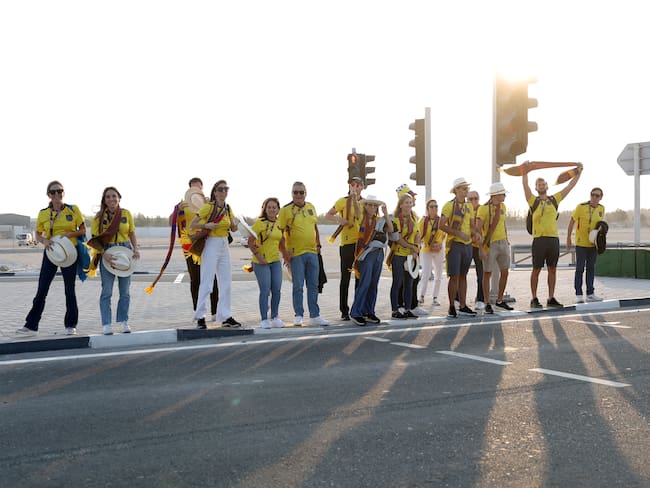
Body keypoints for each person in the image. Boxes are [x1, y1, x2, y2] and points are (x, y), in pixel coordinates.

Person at [17, 181, 86, 336]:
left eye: (60, 191)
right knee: (42, 289)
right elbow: (37, 234)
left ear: (63, 193)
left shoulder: (73, 210)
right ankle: (31, 326)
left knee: (70, 289)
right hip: (51, 253)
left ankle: (70, 325)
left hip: (69, 253)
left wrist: (70, 234)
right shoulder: (43, 213)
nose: (57, 194)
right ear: (48, 194)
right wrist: (44, 241)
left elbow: (82, 230)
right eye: (53, 192)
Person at [522, 161, 582, 308]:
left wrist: (578, 172)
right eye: (539, 185)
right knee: (536, 269)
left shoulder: (555, 199)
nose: (541, 186)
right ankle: (534, 298)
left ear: (547, 186)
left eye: (543, 184)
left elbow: (570, 186)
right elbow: (525, 186)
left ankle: (551, 297)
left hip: (553, 240)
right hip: (539, 240)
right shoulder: (533, 201)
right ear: (536, 188)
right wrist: (524, 171)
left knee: (552, 269)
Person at [190, 180, 241, 328]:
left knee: (226, 282)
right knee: (206, 282)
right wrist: (206, 225)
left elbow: (233, 227)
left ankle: (225, 315)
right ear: (215, 191)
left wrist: (236, 224)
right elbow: (192, 225)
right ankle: (200, 316)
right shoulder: (208, 207)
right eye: (220, 189)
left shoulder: (228, 208)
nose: (223, 192)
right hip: (211, 243)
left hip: (224, 243)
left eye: (226, 189)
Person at [278, 182, 329, 326]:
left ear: (306, 193)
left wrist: (318, 244)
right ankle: (298, 315)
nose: (298, 195)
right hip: (296, 254)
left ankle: (315, 315)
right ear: (291, 194)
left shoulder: (311, 207)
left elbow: (314, 227)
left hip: (312, 252)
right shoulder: (285, 211)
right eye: (295, 192)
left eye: (301, 192)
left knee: (313, 285)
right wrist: (284, 253)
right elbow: (279, 233)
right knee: (298, 286)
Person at [92, 186, 140, 335]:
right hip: (108, 252)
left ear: (119, 198)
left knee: (125, 291)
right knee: (106, 291)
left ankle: (124, 321)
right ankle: (106, 323)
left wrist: (135, 248)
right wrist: (103, 253)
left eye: (114, 196)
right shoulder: (98, 217)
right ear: (104, 200)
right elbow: (94, 240)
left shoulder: (126, 214)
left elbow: (131, 232)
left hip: (125, 252)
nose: (111, 199)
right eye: (108, 197)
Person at [172, 178, 219, 323]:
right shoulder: (182, 205)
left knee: (212, 278)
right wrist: (177, 210)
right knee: (195, 279)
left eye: (198, 188)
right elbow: (171, 223)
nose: (195, 192)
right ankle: (198, 311)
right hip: (190, 245)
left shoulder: (209, 204)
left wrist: (212, 204)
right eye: (192, 189)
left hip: (207, 242)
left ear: (202, 189)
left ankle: (215, 312)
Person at [349, 195, 394, 325]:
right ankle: (356, 312)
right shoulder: (361, 219)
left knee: (373, 284)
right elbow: (356, 213)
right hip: (366, 253)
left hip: (378, 253)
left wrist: (385, 214)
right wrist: (353, 199)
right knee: (365, 282)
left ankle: (369, 311)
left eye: (375, 205)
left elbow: (391, 230)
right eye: (370, 205)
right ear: (365, 206)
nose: (373, 207)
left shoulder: (380, 220)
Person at [325, 176, 363, 321]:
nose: (355, 187)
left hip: (360, 243)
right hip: (347, 243)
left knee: (359, 277)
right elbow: (328, 215)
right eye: (352, 184)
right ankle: (344, 310)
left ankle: (357, 307)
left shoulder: (365, 203)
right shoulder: (342, 201)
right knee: (345, 277)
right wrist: (338, 219)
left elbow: (364, 218)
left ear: (362, 187)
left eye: (358, 185)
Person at [440, 177, 476, 318]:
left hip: (467, 245)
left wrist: (476, 234)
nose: (466, 190)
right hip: (454, 244)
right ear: (456, 190)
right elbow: (441, 225)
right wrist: (458, 233)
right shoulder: (448, 206)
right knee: (454, 276)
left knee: (463, 276)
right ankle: (451, 306)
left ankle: (462, 305)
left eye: (466, 188)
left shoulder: (469, 206)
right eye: (463, 188)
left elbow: (472, 225)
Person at [248, 197, 286, 328]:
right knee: (265, 290)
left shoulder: (279, 223)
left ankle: (275, 316)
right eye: (269, 207)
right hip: (261, 262)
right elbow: (250, 242)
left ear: (278, 209)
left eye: (274, 207)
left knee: (277, 289)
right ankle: (264, 319)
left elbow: (281, 243)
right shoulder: (259, 223)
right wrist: (258, 257)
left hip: (275, 260)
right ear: (265, 209)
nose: (271, 209)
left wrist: (287, 257)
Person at [477, 182, 513, 314]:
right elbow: (478, 229)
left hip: (503, 242)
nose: (505, 196)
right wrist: (481, 247)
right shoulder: (483, 209)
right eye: (503, 194)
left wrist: (507, 240)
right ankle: (487, 303)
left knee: (505, 271)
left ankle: (499, 300)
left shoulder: (503, 206)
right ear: (495, 195)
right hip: (490, 244)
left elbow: (503, 223)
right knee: (487, 273)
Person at [567, 187, 605, 302]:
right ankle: (578, 294)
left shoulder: (602, 209)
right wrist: (568, 238)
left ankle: (590, 293)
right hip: (580, 244)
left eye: (597, 196)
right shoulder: (581, 207)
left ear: (601, 197)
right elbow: (571, 221)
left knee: (591, 269)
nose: (594, 197)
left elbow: (600, 225)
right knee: (579, 269)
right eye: (592, 195)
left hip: (592, 245)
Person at [388, 193, 420, 319]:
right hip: (399, 254)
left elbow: (417, 234)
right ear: (401, 205)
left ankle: (407, 309)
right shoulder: (396, 219)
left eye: (410, 202)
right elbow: (398, 238)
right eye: (406, 202)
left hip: (411, 255)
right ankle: (395, 310)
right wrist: (411, 247)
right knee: (397, 282)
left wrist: (416, 248)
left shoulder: (414, 219)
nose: (409, 205)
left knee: (409, 283)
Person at [417, 199, 445, 307]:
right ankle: (421, 296)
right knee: (426, 273)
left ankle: (435, 297)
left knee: (438, 274)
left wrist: (440, 244)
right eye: (431, 206)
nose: (434, 209)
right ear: (427, 209)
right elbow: (419, 235)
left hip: (438, 249)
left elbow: (445, 234)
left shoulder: (441, 220)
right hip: (427, 249)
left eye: (436, 206)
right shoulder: (423, 221)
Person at [467, 190, 485, 310]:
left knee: (481, 274)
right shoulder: (464, 209)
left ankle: (480, 299)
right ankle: (458, 299)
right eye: (471, 199)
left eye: (476, 198)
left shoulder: (482, 209)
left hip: (479, 245)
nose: (473, 201)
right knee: (462, 273)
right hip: (467, 245)